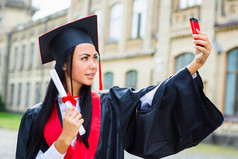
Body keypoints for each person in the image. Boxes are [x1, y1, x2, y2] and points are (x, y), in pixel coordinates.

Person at [16, 15, 223, 159]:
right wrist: (63, 140)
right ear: (64, 64)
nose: (92, 65)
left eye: (95, 58)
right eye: (84, 58)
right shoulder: (35, 117)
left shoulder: (110, 105)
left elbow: (152, 96)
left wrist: (195, 64)